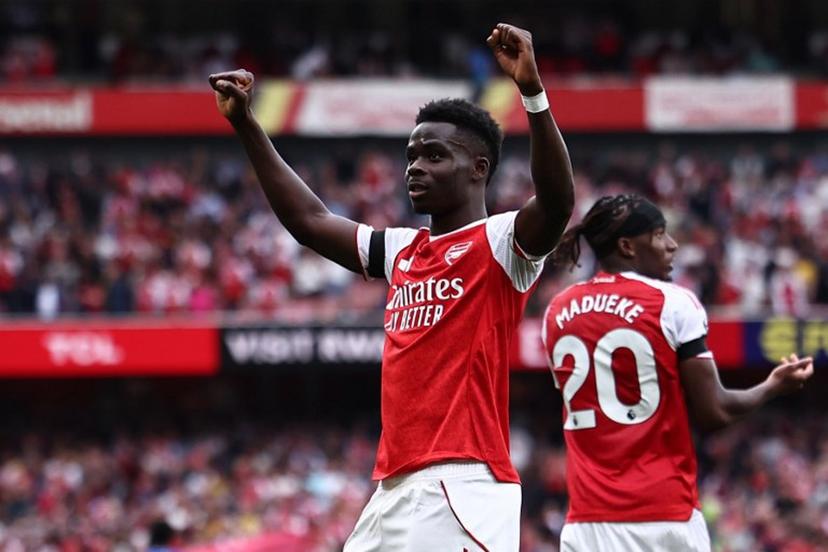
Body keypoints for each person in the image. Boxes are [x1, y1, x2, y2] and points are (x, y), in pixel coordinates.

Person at [210, 23, 574, 552]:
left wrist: (532, 93)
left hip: (460, 482)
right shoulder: (403, 249)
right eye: (411, 156)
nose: (415, 168)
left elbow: (558, 203)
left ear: (478, 169)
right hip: (394, 486)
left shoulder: (500, 242)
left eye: (434, 155)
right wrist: (246, 124)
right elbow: (311, 221)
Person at [542, 194, 814, 551]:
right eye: (659, 235)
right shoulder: (672, 302)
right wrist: (772, 385)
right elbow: (714, 412)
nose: (671, 245)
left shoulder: (557, 311)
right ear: (627, 246)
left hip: (586, 525)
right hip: (663, 518)